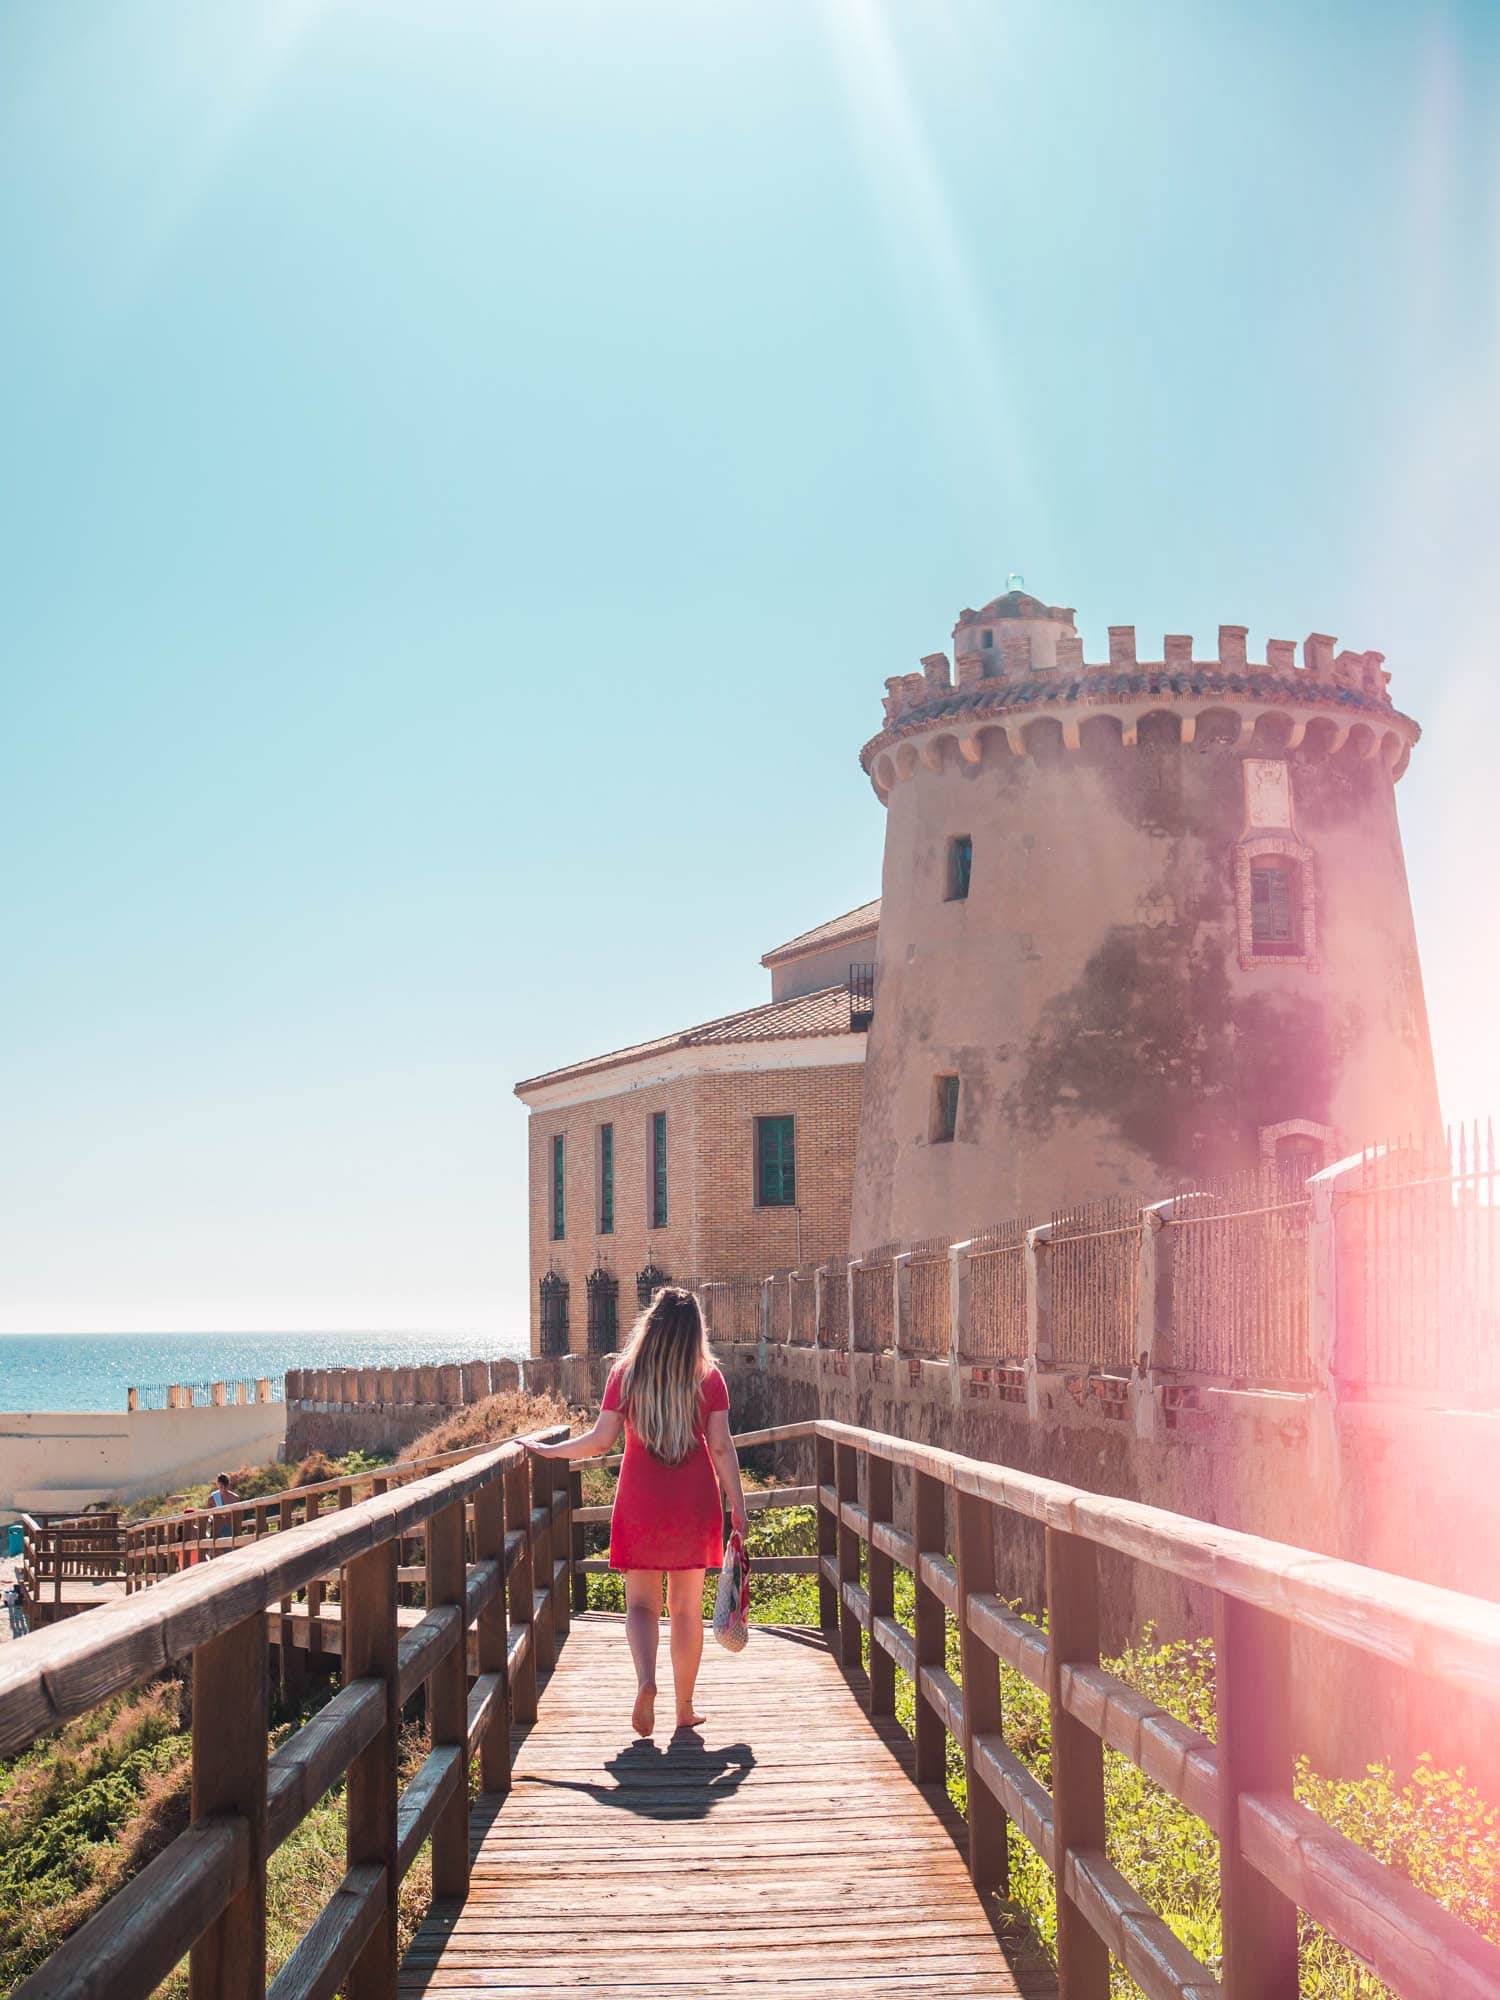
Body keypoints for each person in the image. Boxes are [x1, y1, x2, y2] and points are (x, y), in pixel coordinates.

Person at [526, 1287, 748, 1738]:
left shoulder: (624, 1374)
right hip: (693, 1502)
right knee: (685, 1610)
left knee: (641, 1606)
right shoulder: (708, 1378)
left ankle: (646, 1683)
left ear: (651, 1324)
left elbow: (600, 1439)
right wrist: (738, 1506)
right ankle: (684, 1709)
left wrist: (552, 1452)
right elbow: (721, 1447)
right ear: (695, 1332)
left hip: (640, 1501)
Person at [206, 1471, 239, 1546]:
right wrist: (213, 1518)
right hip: (218, 1528)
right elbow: (207, 1514)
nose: (223, 1489)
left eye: (224, 1486)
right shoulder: (213, 1497)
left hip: (230, 1528)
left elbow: (238, 1516)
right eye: (221, 1487)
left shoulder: (234, 1498)